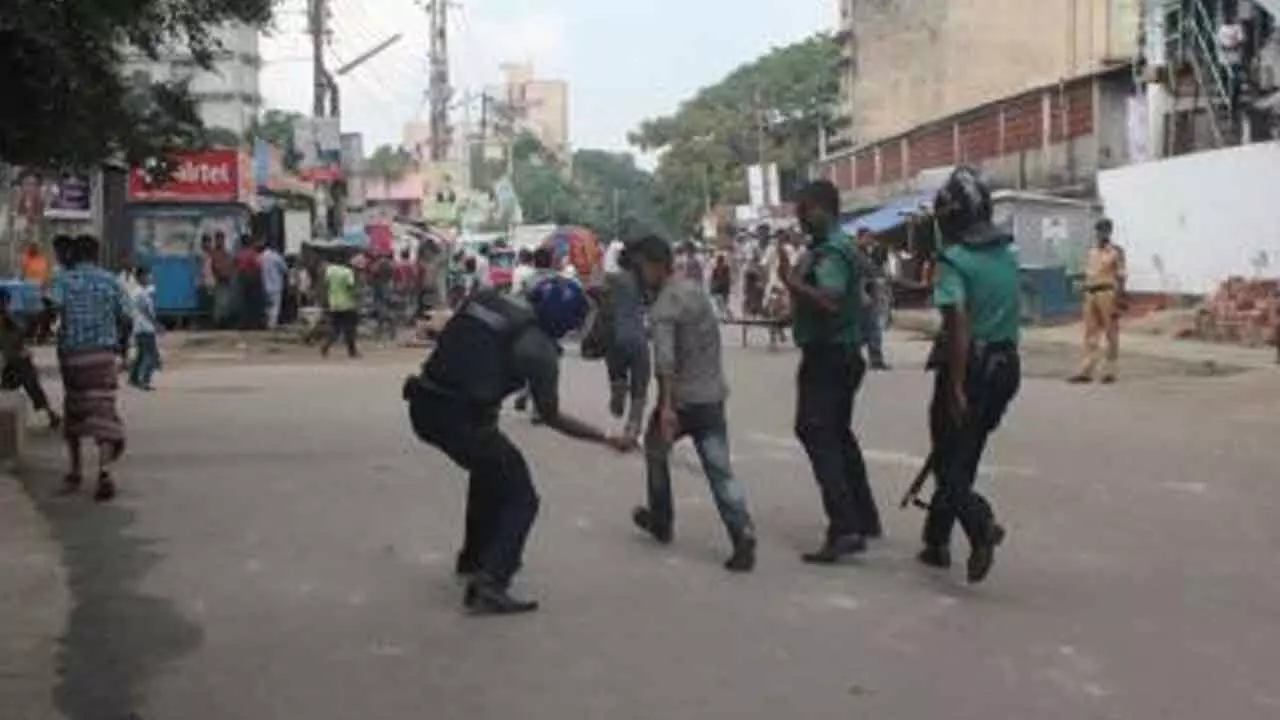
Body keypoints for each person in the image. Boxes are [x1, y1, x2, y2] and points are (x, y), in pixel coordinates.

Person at [403, 276, 635, 614]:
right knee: (521, 497)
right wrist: (605, 437)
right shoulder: (539, 350)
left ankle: (474, 558)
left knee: (490, 472)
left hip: (423, 402)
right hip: (461, 420)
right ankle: (491, 582)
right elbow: (551, 416)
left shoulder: (488, 298)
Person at [626, 236, 757, 572]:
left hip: (682, 399)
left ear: (655, 266)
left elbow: (665, 362)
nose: (639, 276)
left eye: (640, 268)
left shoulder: (664, 306)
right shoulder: (696, 291)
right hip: (712, 394)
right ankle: (741, 531)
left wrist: (667, 407)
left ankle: (661, 519)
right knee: (719, 469)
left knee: (656, 450)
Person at [919, 166, 1021, 584]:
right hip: (1006, 366)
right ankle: (936, 541)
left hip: (970, 368)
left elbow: (959, 324)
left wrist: (957, 383)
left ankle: (980, 524)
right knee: (965, 451)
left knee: (948, 460)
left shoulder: (953, 260)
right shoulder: (1006, 255)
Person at [782, 180, 882, 564]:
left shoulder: (833, 253)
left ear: (823, 209)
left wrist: (793, 284)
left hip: (829, 355)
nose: (800, 217)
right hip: (840, 353)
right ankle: (863, 516)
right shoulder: (833, 248)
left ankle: (845, 527)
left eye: (805, 209)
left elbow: (830, 300)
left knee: (816, 431)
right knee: (838, 434)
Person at [47, 235, 130, 502]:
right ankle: (104, 471)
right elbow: (127, 316)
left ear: (74, 254)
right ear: (96, 254)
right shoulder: (110, 281)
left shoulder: (63, 279)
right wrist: (122, 347)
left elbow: (50, 307)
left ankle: (75, 471)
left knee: (75, 409)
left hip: (72, 355)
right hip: (102, 356)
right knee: (103, 411)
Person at [600, 241, 651, 438]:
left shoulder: (611, 280)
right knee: (640, 386)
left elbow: (597, 296)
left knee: (617, 377)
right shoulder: (642, 283)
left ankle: (617, 401)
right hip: (638, 337)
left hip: (616, 338)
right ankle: (633, 427)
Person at [1069, 218, 1127, 384]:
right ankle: (1086, 371)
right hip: (1090, 293)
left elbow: (1121, 276)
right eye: (1099, 230)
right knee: (1090, 333)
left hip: (1107, 293)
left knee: (1111, 333)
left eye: (1104, 230)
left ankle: (1110, 372)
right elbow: (1089, 272)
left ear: (1109, 232)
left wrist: (1120, 299)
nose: (1101, 233)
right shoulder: (1091, 251)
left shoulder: (1116, 251)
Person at [0, 288, 60, 429]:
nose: (6, 304)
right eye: (4, 301)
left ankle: (50, 414)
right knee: (30, 385)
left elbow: (21, 333)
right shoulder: (7, 318)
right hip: (13, 361)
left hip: (14, 361)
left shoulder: (10, 317)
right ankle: (50, 414)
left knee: (30, 386)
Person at [856, 228, 891, 370]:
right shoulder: (857, 254)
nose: (871, 240)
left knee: (869, 328)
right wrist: (862, 293)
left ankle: (874, 358)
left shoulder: (865, 253)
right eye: (869, 237)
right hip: (864, 294)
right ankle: (875, 359)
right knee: (872, 328)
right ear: (861, 237)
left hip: (871, 292)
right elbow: (859, 276)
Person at [321, 256, 360, 359]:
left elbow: (326, 284)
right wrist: (357, 297)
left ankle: (326, 345)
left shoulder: (330, 270)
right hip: (347, 304)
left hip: (334, 303)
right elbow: (350, 287)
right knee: (350, 329)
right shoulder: (347, 272)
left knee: (335, 329)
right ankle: (352, 352)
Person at [208, 232, 235, 328]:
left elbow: (231, 264)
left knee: (225, 301)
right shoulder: (214, 253)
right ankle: (218, 321)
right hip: (218, 280)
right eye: (218, 239)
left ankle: (224, 320)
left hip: (226, 279)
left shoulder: (226, 253)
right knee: (219, 301)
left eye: (222, 239)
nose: (220, 241)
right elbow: (213, 266)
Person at [260, 242, 289, 330]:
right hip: (275, 285)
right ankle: (271, 326)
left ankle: (265, 323)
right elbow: (285, 269)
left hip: (264, 284)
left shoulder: (261, 257)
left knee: (266, 306)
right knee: (274, 307)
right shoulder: (276, 257)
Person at [710, 253, 732, 319]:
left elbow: (727, 279)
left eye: (720, 261)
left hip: (724, 288)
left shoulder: (726, 268)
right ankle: (721, 316)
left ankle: (728, 315)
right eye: (718, 261)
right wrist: (712, 288)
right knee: (718, 303)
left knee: (725, 303)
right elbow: (713, 280)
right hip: (717, 288)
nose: (719, 263)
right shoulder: (715, 269)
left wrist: (727, 288)